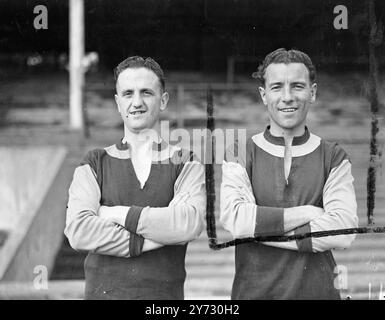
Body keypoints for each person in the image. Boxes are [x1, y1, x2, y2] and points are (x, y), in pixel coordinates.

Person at [220, 48, 358, 300]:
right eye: (276, 87)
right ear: (263, 95)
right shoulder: (240, 152)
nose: (287, 97)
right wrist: (307, 213)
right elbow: (237, 220)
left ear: (312, 92)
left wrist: (259, 232)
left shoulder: (334, 156)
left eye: (297, 86)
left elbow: (343, 230)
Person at [64, 56, 206, 300]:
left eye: (146, 93)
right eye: (128, 93)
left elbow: (188, 223)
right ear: (118, 103)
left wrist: (114, 214)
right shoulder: (94, 163)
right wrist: (149, 239)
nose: (137, 102)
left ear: (163, 100)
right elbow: (79, 230)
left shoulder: (185, 162)